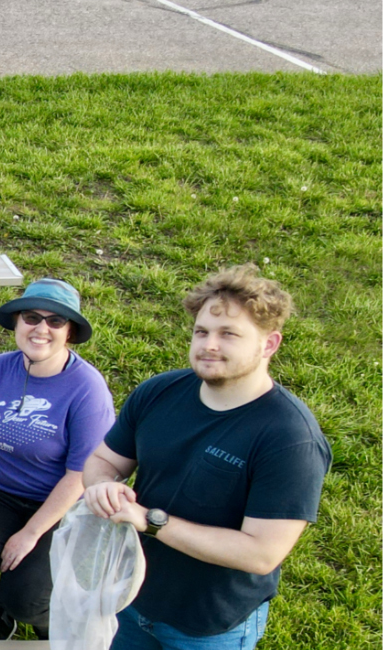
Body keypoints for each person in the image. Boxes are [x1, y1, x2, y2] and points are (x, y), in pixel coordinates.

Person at [83, 264, 331, 650]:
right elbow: (105, 460)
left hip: (209, 624)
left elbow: (261, 553)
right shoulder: (159, 392)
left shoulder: (290, 438)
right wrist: (100, 486)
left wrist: (150, 521)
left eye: (228, 334)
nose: (208, 345)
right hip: (129, 595)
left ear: (269, 344)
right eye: (202, 332)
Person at [0, 278, 115, 639]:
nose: (41, 328)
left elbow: (81, 475)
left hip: (60, 502)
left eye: (55, 321)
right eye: (31, 317)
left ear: (70, 332)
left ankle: (57, 628)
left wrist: (29, 534)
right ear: (17, 322)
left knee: (26, 597)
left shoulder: (87, 389)